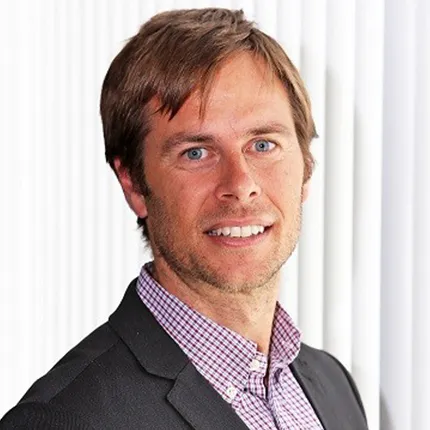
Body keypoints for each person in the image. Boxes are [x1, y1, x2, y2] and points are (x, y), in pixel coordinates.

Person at [0, 8, 368, 430]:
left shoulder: (334, 387)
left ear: (305, 166)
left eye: (263, 144)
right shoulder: (63, 420)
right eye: (196, 152)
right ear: (133, 184)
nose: (241, 184)